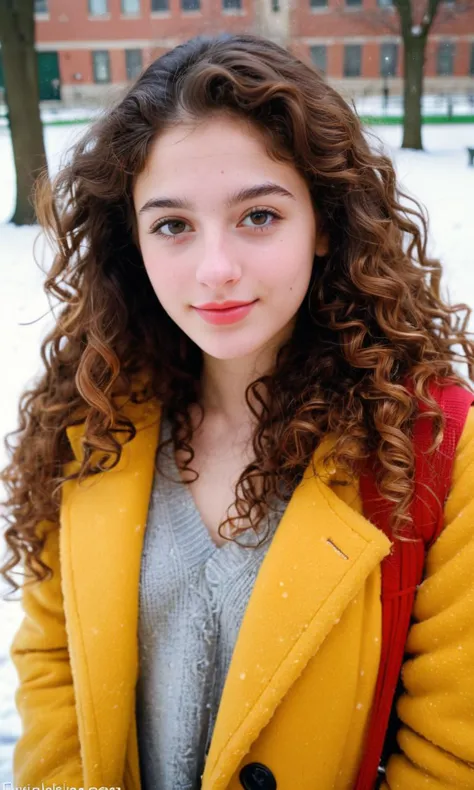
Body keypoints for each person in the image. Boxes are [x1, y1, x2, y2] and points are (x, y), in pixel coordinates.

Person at [1, 32, 474, 790]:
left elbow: (452, 758)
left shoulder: (437, 447)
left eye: (258, 216)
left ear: (324, 221)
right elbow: (55, 671)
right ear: (135, 240)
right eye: (173, 225)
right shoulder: (90, 422)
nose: (216, 270)